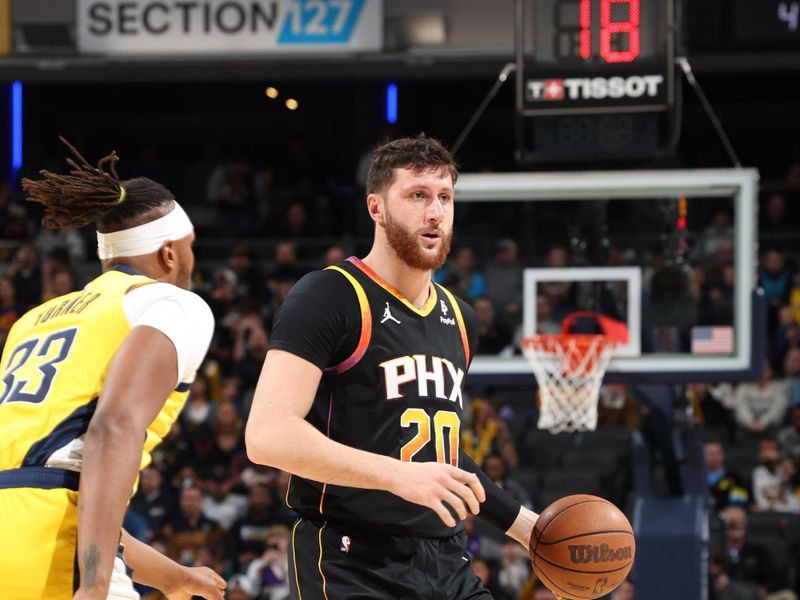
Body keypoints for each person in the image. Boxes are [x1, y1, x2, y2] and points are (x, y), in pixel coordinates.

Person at [245, 134, 538, 599]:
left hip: (446, 557)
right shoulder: (330, 295)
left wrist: (525, 526)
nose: (435, 212)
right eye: (417, 196)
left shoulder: (460, 318)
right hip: (350, 559)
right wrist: (398, 476)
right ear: (376, 208)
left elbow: (435, 456)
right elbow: (266, 435)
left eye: (444, 197)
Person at [0, 139, 225, 599]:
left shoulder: (31, 322)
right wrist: (95, 585)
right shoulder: (172, 302)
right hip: (54, 549)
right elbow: (113, 427)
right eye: (191, 247)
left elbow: (55, 484)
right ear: (169, 254)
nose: (192, 258)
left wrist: (175, 578)